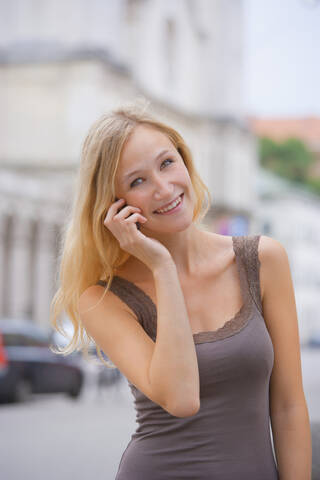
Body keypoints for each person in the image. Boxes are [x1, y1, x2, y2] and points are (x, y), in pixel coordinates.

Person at [50, 101, 312, 479]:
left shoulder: (263, 260)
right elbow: (182, 398)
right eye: (137, 181)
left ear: (185, 160)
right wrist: (161, 267)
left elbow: (288, 406)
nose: (163, 188)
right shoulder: (103, 298)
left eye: (166, 163)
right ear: (114, 206)